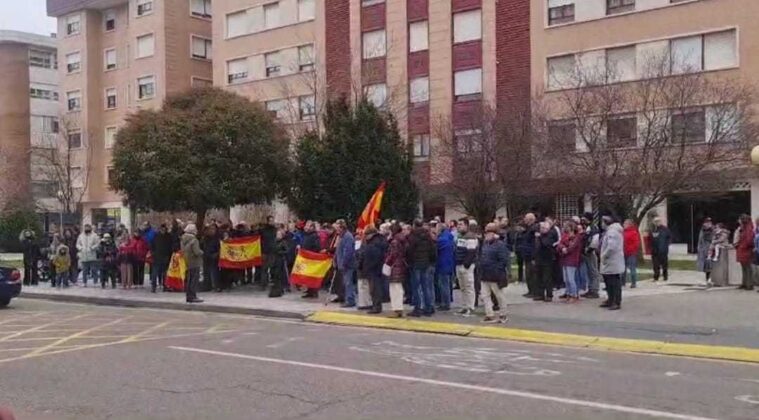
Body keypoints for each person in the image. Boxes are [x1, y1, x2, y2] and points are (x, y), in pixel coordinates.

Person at [478, 223, 510, 323]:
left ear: (494, 233)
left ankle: (503, 314)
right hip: (485, 274)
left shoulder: (500, 245)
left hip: (496, 275)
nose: (486, 235)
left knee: (499, 295)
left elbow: (504, 260)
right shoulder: (485, 244)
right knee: (485, 295)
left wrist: (497, 269)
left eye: (488, 232)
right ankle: (489, 314)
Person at [406, 220, 437, 317]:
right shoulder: (428, 236)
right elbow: (433, 250)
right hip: (426, 263)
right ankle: (428, 307)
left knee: (416, 287)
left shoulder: (413, 236)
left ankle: (417, 308)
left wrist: (409, 262)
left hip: (416, 264)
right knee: (426, 286)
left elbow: (409, 250)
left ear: (414, 225)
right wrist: (431, 261)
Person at [361, 225, 389, 314]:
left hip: (374, 269)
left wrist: (368, 267)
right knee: (374, 288)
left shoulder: (374, 243)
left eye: (366, 234)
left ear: (371, 234)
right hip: (376, 268)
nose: (365, 236)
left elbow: (374, 257)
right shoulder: (378, 240)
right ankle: (375, 304)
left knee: (375, 289)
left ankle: (376, 306)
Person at [454, 219, 478, 316]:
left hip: (466, 265)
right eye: (458, 224)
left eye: (461, 224)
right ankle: (464, 306)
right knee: (462, 287)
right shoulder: (459, 236)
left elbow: (471, 252)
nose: (459, 226)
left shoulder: (470, 237)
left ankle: (470, 307)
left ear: (467, 226)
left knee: (469, 287)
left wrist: (466, 265)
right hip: (459, 263)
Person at [600, 216, 625, 310]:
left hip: (612, 261)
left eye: (603, 222)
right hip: (610, 262)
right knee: (608, 282)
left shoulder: (612, 232)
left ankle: (616, 301)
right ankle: (610, 299)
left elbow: (611, 247)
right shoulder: (610, 231)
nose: (601, 224)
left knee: (614, 282)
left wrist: (604, 255)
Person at [385, 223, 408, 318]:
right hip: (401, 265)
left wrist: (386, 263)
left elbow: (392, 255)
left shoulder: (395, 241)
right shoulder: (403, 239)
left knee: (394, 289)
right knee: (398, 288)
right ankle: (399, 309)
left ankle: (396, 309)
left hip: (395, 266)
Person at [334, 219, 357, 308]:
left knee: (348, 282)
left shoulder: (348, 237)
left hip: (347, 264)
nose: (336, 229)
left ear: (341, 227)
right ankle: (347, 298)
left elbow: (348, 252)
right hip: (342, 263)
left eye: (337, 227)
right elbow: (338, 250)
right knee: (346, 282)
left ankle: (350, 300)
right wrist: (335, 260)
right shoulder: (341, 236)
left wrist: (343, 263)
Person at [558, 221, 582, 302]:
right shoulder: (564, 235)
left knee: (571, 278)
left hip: (572, 259)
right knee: (566, 279)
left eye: (567, 226)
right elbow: (559, 244)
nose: (565, 228)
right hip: (564, 259)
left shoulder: (576, 237)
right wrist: (562, 248)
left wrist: (566, 248)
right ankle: (568, 293)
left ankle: (574, 294)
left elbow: (572, 247)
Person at [579, 213, 601, 299]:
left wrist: (589, 249)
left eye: (584, 219)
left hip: (591, 252)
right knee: (589, 272)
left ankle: (594, 290)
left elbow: (595, 241)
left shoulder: (593, 228)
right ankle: (591, 289)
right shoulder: (587, 228)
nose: (582, 221)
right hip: (587, 252)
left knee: (593, 271)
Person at [181, 223, 204, 303]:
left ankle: (188, 295)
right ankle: (193, 296)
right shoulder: (194, 240)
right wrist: (202, 252)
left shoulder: (183, 239)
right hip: (194, 262)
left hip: (187, 261)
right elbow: (196, 252)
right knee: (194, 279)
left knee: (189, 279)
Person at [435, 222, 455, 311]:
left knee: (443, 285)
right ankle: (447, 302)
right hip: (449, 263)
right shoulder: (450, 237)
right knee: (447, 284)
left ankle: (445, 304)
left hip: (443, 264)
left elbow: (436, 250)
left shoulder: (442, 240)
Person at [534, 222, 556, 302]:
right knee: (539, 277)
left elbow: (546, 244)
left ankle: (549, 295)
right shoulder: (539, 236)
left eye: (544, 228)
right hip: (539, 259)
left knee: (547, 278)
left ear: (547, 229)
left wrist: (540, 238)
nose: (542, 229)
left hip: (547, 259)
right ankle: (540, 294)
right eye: (541, 228)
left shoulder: (550, 235)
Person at [518, 213, 539, 298]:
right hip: (526, 254)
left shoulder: (534, 229)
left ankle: (534, 291)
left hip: (531, 255)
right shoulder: (528, 229)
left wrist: (534, 256)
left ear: (531, 219)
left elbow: (535, 243)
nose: (524, 220)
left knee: (532, 274)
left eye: (526, 219)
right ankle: (530, 290)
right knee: (528, 274)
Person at [300, 221, 323, 299]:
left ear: (312, 227)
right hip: (306, 258)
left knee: (312, 275)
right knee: (308, 276)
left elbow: (317, 247)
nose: (306, 227)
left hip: (312, 258)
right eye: (306, 225)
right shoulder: (306, 235)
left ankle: (314, 292)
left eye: (308, 226)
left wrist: (310, 253)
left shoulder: (314, 236)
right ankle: (309, 291)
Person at [269, 227, 291, 298]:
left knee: (280, 275)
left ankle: (280, 289)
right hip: (274, 259)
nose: (278, 235)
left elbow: (287, 251)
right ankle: (276, 288)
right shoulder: (274, 241)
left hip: (280, 260)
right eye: (277, 234)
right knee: (274, 274)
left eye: (279, 234)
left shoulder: (283, 242)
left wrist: (280, 252)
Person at [151, 224, 173, 292]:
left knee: (163, 273)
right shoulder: (165, 236)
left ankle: (162, 286)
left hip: (162, 256)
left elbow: (152, 245)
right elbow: (152, 245)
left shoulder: (158, 236)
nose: (163, 230)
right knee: (157, 272)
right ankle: (156, 286)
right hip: (159, 256)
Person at [735, 214, 755, 291]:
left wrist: (743, 246)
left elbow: (749, 240)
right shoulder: (744, 228)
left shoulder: (748, 228)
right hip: (743, 249)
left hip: (746, 250)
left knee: (747, 268)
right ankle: (745, 283)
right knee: (744, 268)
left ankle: (749, 284)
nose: (739, 221)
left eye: (740, 219)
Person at [201, 224, 222, 293]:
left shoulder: (217, 238)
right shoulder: (206, 238)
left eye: (213, 229)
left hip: (214, 257)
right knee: (206, 272)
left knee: (214, 272)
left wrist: (216, 254)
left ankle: (215, 286)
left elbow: (220, 248)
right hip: (206, 257)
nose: (212, 230)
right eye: (211, 229)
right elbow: (203, 247)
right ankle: (207, 286)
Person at [650, 217, 671, 282]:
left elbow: (669, 237)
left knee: (664, 264)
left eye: (658, 221)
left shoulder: (665, 229)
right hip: (655, 250)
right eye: (655, 221)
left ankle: (665, 276)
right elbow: (650, 239)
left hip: (663, 250)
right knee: (655, 264)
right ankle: (656, 276)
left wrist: (666, 245)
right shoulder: (653, 230)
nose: (657, 222)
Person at [622, 219, 642, 288]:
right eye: (624, 223)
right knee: (622, 268)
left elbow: (636, 243)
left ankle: (633, 283)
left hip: (631, 253)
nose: (623, 225)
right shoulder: (623, 232)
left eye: (625, 224)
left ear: (629, 225)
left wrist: (631, 250)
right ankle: (622, 282)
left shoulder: (633, 232)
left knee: (632, 268)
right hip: (623, 252)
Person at [696, 218, 714, 287]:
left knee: (709, 265)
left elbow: (712, 239)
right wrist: (699, 247)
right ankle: (707, 280)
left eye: (709, 222)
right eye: (706, 222)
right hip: (703, 250)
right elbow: (700, 239)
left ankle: (709, 280)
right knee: (704, 265)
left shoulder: (712, 230)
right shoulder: (702, 230)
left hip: (709, 249)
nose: (707, 224)